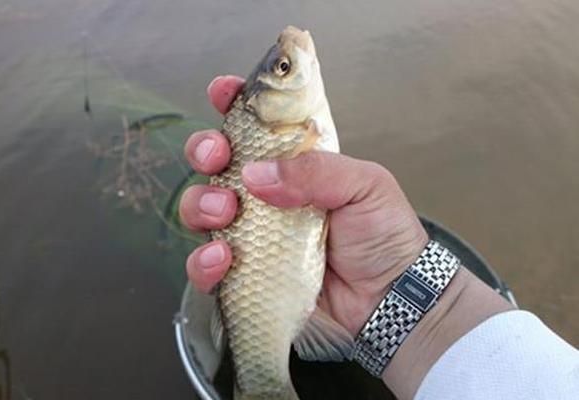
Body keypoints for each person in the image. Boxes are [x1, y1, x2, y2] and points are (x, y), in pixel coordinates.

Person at [179, 75, 579, 400]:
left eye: (282, 68)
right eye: (285, 69)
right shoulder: (291, 129)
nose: (292, 62)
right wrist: (428, 318)